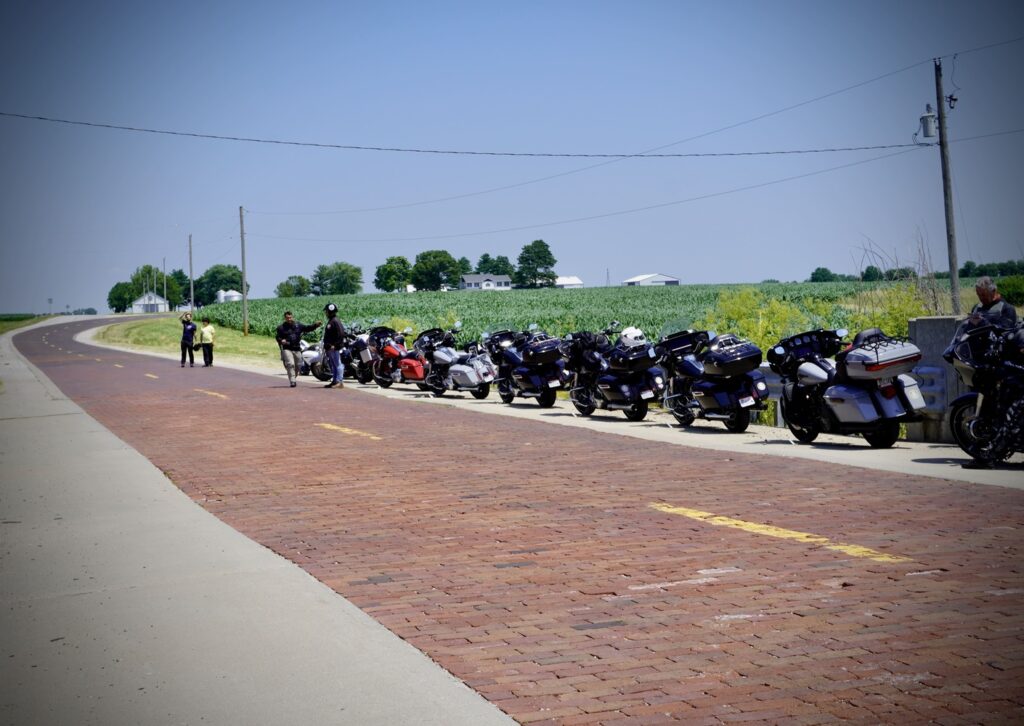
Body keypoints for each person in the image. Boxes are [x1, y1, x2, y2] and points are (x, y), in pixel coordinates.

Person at [276, 310, 321, 388]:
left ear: (292, 317)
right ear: (285, 318)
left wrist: (315, 325)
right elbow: (277, 337)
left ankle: (293, 376)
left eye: (290, 317)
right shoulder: (281, 328)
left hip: (296, 348)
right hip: (287, 348)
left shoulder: (298, 325)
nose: (289, 319)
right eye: (287, 318)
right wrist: (281, 340)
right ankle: (292, 381)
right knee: (290, 364)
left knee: (299, 365)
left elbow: (307, 328)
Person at [322, 303, 346, 389]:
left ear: (330, 311)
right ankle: (335, 381)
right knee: (333, 365)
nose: (325, 313)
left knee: (338, 364)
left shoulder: (335, 321)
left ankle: (339, 382)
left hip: (334, 348)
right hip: (330, 347)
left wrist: (335, 345)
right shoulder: (332, 320)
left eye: (326, 311)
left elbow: (341, 334)